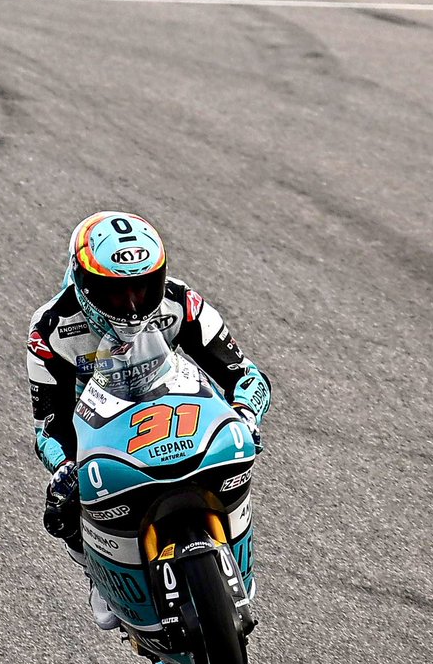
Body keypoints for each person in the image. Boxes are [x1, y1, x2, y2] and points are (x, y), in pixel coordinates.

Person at [26, 211, 271, 629]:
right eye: (116, 293)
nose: (134, 305)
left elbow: (247, 375)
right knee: (59, 509)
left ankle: (236, 557)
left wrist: (247, 414)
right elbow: (48, 427)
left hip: (179, 414)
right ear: (83, 284)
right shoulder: (49, 330)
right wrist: (65, 467)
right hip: (103, 436)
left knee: (236, 455)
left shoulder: (181, 302)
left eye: (143, 287)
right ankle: (99, 577)